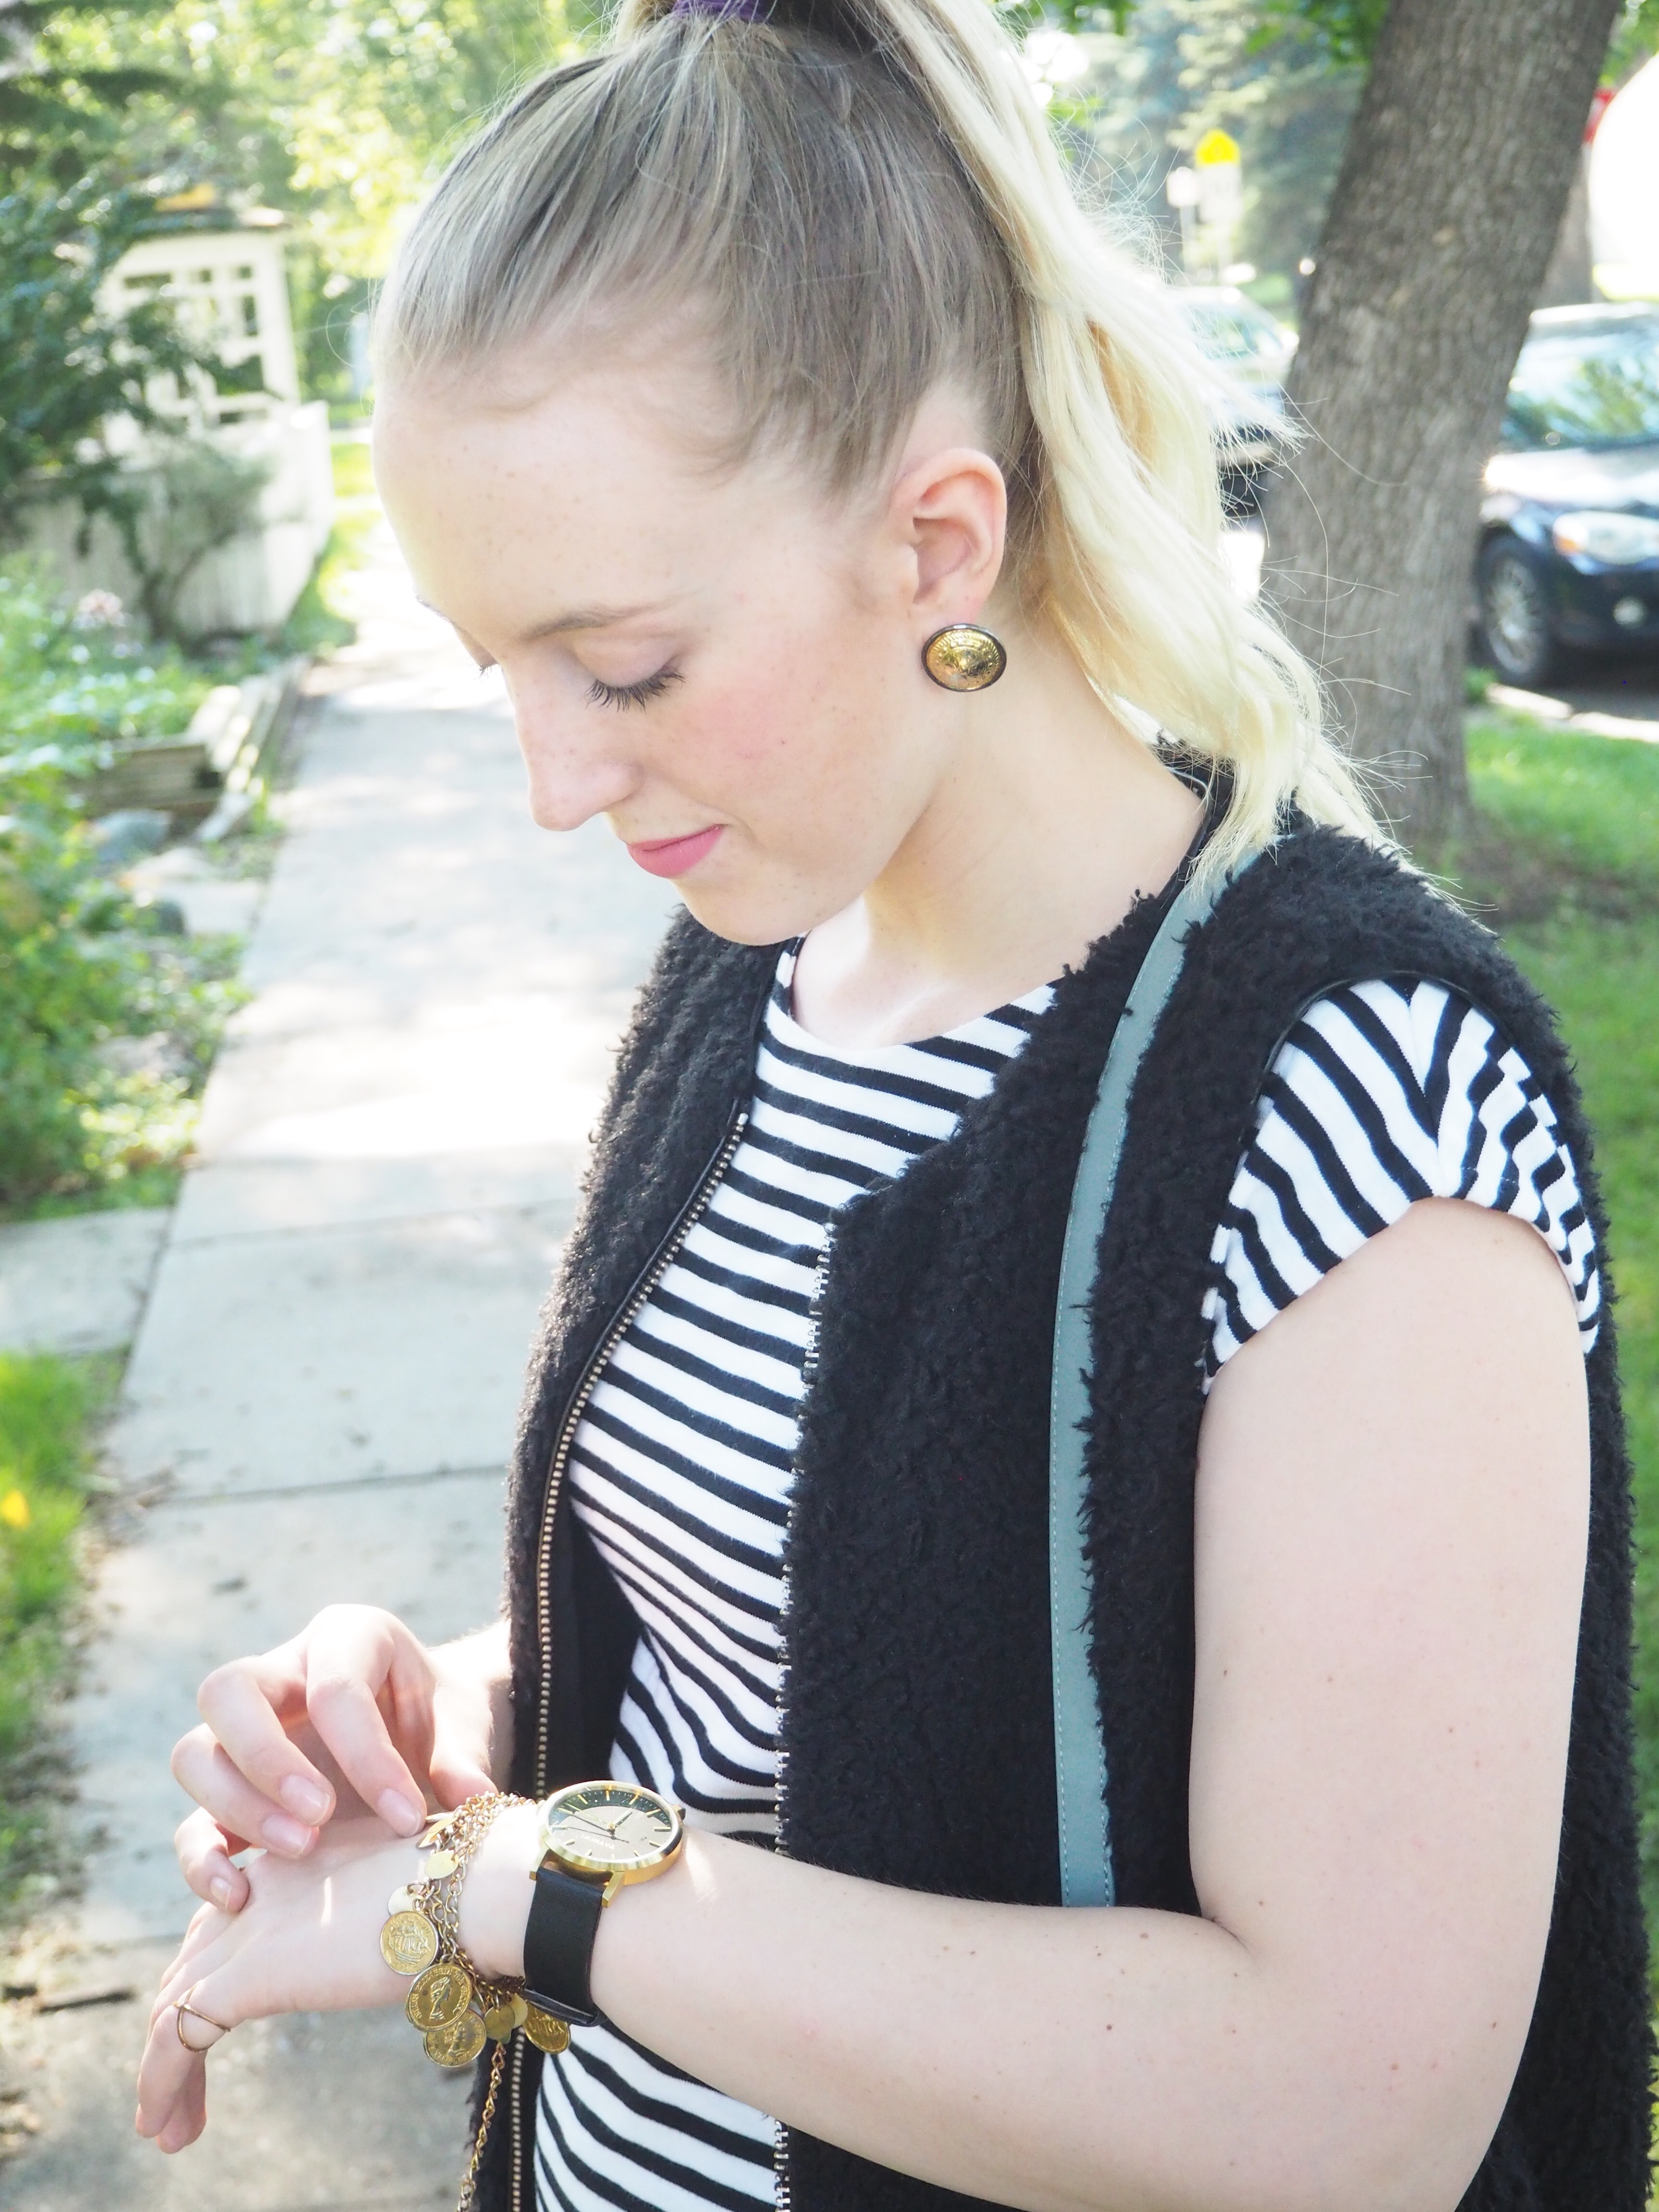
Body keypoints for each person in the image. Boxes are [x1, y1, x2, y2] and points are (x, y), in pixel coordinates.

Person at [135, 0, 1649, 2203]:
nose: (558, 783)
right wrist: (456, 1715)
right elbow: (815, 1650)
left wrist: (523, 1892)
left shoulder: (1353, 1095)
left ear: (941, 547)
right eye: (502, 672)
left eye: (625, 665)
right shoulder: (767, 957)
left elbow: (1348, 2107)